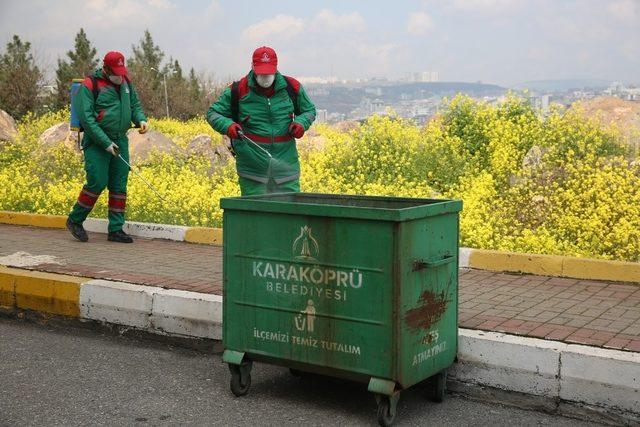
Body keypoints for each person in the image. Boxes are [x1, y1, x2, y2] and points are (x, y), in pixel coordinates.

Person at [207, 46, 316, 196]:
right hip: (252, 170)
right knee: (256, 215)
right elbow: (213, 113)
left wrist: (301, 123)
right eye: (261, 73)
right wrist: (228, 126)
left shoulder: (292, 88)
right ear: (252, 67)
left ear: (276, 68)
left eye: (269, 72)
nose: (265, 77)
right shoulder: (238, 90)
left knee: (290, 214)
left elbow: (309, 110)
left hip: (285, 168)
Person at [66, 51, 148, 243]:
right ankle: (75, 220)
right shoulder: (90, 85)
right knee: (97, 181)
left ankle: (116, 229)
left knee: (119, 185)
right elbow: (87, 119)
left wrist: (141, 119)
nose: (119, 76)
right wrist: (105, 143)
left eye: (122, 71)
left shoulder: (126, 82)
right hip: (97, 142)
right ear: (106, 68)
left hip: (121, 139)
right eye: (116, 72)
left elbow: (134, 105)